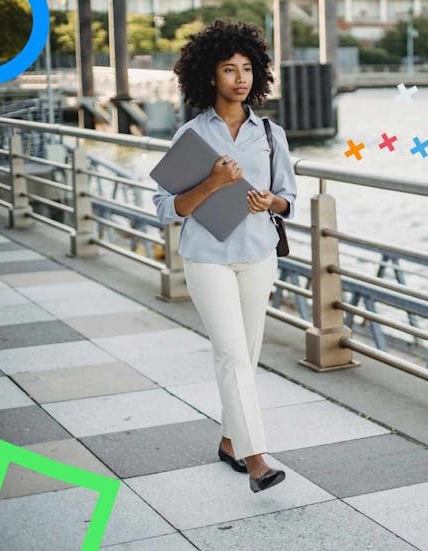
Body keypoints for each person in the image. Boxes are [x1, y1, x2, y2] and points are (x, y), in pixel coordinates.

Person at [151, 20, 296, 493]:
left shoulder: (271, 135)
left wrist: (268, 201)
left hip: (257, 256)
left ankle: (230, 442)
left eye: (248, 68)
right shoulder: (192, 135)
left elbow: (288, 199)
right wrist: (213, 183)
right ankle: (257, 460)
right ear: (209, 76)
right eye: (229, 69)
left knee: (244, 358)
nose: (240, 78)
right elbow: (165, 208)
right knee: (232, 355)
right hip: (207, 257)